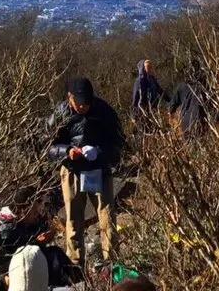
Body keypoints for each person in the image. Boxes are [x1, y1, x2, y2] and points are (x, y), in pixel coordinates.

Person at [47, 77, 125, 265]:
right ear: (69, 97)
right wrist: (66, 151)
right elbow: (48, 146)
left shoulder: (104, 111)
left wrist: (99, 151)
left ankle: (112, 261)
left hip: (100, 170)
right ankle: (75, 262)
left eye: (87, 103)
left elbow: (119, 141)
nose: (84, 107)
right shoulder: (60, 114)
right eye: (80, 103)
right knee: (73, 218)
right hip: (72, 170)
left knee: (107, 217)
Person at [130, 58, 162, 124]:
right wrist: (134, 115)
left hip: (153, 110)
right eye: (148, 67)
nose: (150, 69)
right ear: (143, 69)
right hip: (142, 112)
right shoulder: (139, 82)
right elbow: (135, 99)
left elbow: (160, 91)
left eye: (150, 67)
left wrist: (171, 100)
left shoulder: (152, 80)